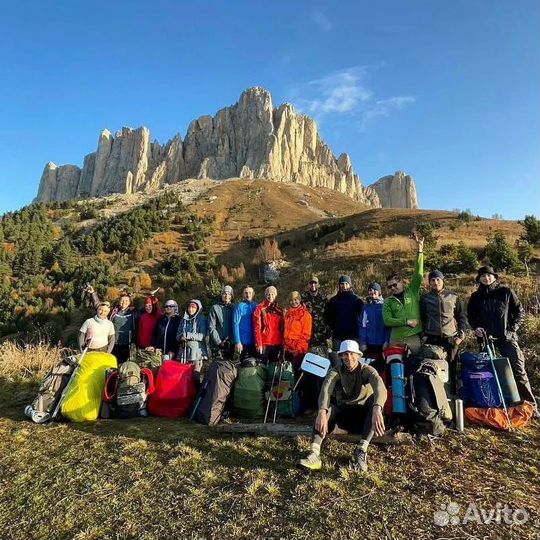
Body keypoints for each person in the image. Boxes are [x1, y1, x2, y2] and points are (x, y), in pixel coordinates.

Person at [298, 340, 387, 472]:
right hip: (343, 416)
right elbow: (326, 389)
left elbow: (380, 386)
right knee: (326, 409)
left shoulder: (367, 370)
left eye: (351, 354)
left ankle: (361, 450)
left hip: (363, 418)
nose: (348, 358)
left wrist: (377, 408)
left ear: (358, 355)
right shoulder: (336, 371)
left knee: (374, 402)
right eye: (345, 354)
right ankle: (314, 454)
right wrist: (322, 411)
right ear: (340, 356)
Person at [467, 266, 537, 410]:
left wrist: (512, 329)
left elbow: (519, 312)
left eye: (489, 275)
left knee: (518, 370)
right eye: (483, 276)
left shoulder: (506, 292)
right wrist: (476, 328)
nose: (486, 278)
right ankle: (499, 405)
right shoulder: (475, 297)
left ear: (494, 277)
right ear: (479, 279)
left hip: (507, 338)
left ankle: (530, 406)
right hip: (486, 341)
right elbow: (471, 316)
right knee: (490, 373)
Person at [383, 235, 424, 356]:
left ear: (401, 281)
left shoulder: (412, 290)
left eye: (395, 284)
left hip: (413, 338)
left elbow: (418, 274)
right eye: (389, 287)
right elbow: (387, 321)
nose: (393, 288)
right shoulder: (388, 301)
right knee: (395, 368)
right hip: (395, 339)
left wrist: (420, 250)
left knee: (415, 367)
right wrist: (406, 321)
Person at [86, 286, 138, 363]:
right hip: (113, 343)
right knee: (111, 363)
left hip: (127, 344)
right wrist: (93, 294)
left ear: (130, 302)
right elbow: (99, 307)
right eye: (122, 300)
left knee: (123, 365)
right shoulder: (114, 311)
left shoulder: (134, 312)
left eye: (126, 300)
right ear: (119, 301)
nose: (124, 302)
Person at [324, 275, 364, 351]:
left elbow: (363, 318)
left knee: (353, 360)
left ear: (350, 285)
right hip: (338, 337)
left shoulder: (357, 300)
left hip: (353, 336)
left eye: (346, 283)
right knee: (338, 360)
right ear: (339, 285)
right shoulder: (333, 301)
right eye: (342, 284)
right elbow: (328, 318)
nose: (344, 286)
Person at [358, 282, 390, 373]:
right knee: (369, 369)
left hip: (382, 344)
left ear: (379, 292)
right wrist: (363, 342)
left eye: (375, 290)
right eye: (370, 290)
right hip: (369, 344)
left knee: (382, 369)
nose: (372, 292)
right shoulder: (366, 307)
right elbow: (362, 325)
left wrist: (386, 340)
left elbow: (388, 325)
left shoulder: (385, 306)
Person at [177, 299, 208, 386]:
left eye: (193, 307)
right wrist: (180, 337)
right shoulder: (183, 320)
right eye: (189, 307)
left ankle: (197, 397)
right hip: (183, 353)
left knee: (195, 377)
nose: (191, 309)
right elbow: (178, 334)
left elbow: (202, 335)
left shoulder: (202, 319)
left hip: (196, 354)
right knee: (183, 377)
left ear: (198, 308)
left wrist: (187, 335)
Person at [253, 286, 284, 364]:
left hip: (277, 344)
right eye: (268, 294)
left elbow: (282, 328)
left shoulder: (279, 310)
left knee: (273, 370)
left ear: (275, 295)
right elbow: (257, 327)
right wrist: (259, 343)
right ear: (265, 295)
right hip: (264, 344)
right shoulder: (260, 308)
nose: (270, 296)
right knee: (262, 368)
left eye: (272, 294)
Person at [301, 276, 329, 354]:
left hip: (321, 334)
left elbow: (328, 315)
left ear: (318, 285)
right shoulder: (303, 299)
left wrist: (328, 330)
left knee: (322, 358)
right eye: (311, 283)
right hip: (308, 334)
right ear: (308, 285)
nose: (313, 285)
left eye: (315, 283)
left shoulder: (324, 298)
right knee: (308, 358)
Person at [208, 285, 235, 360]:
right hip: (217, 344)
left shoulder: (234, 308)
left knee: (228, 367)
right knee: (217, 367)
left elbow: (236, 325)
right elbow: (211, 327)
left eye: (229, 294)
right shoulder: (215, 308)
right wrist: (219, 342)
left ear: (231, 296)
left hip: (230, 343)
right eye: (224, 293)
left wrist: (232, 341)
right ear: (221, 295)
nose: (226, 296)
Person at [233, 286, 258, 360]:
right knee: (245, 365)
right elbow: (235, 324)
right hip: (244, 342)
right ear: (243, 294)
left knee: (255, 364)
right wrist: (238, 341)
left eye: (250, 292)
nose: (248, 295)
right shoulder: (240, 306)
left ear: (253, 294)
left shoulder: (256, 306)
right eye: (246, 293)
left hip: (255, 341)